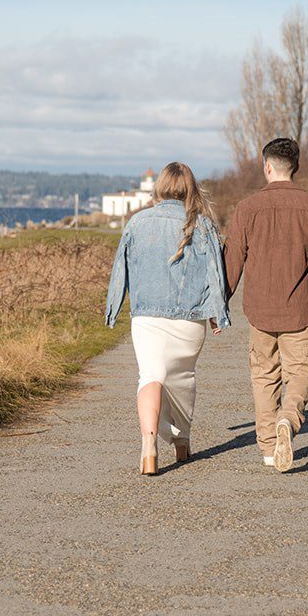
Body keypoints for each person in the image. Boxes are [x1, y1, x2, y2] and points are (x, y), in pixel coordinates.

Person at [105, 162, 230, 476]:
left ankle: (148, 447)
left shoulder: (137, 222)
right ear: (191, 189)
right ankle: (182, 443)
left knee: (150, 375)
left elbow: (121, 268)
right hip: (190, 320)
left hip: (146, 317)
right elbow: (217, 273)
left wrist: (113, 308)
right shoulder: (203, 225)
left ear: (158, 187)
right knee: (183, 378)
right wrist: (218, 314)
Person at [223, 137, 308, 473]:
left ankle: (270, 449)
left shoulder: (246, 208)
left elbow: (232, 261)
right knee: (301, 373)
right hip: (301, 310)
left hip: (259, 311)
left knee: (264, 376)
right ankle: (288, 418)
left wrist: (220, 303)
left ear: (267, 167)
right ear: (295, 168)